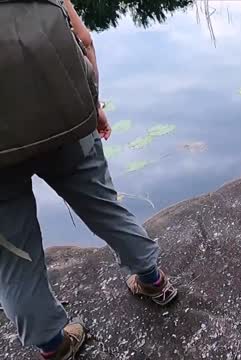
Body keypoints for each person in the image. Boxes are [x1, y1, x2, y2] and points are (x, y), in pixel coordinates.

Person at [0, 1, 178, 359]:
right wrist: (93, 108)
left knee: (14, 253)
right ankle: (153, 281)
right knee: (102, 206)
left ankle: (54, 344)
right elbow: (84, 40)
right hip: (66, 124)